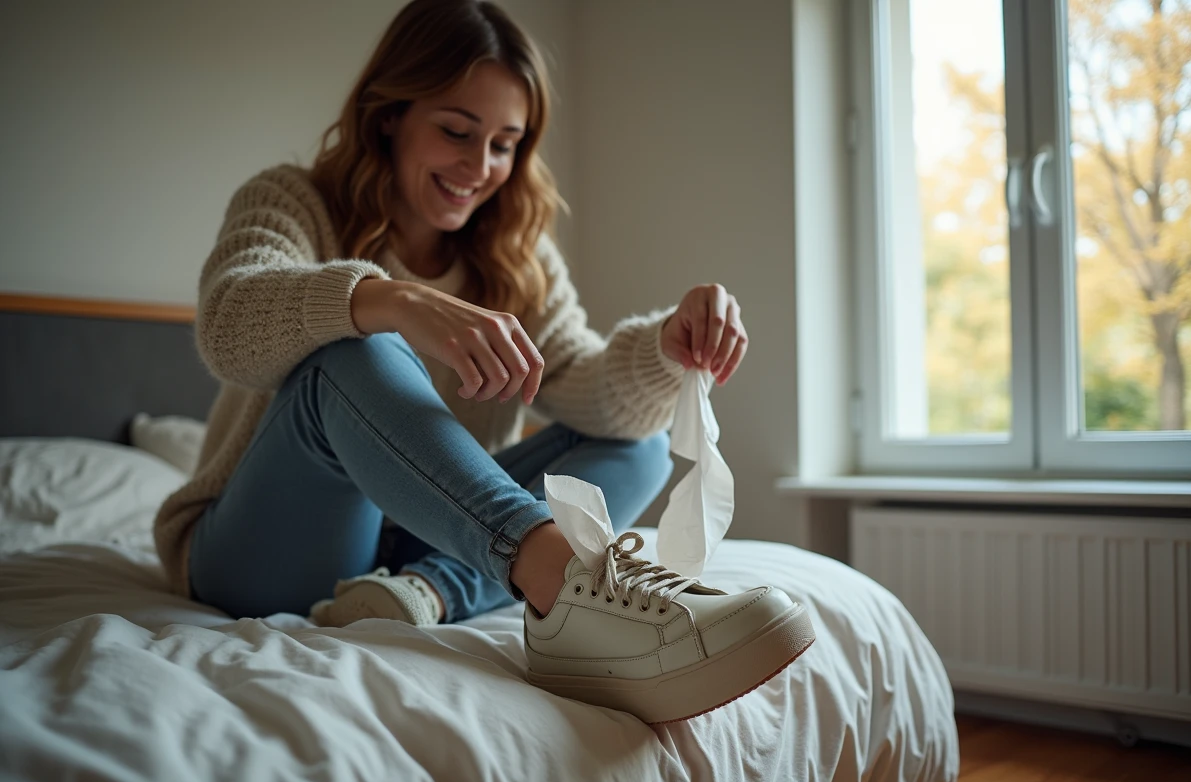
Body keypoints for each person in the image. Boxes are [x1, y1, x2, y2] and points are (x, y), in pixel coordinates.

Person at [154, 0, 813, 725]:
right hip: (262, 547)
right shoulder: (294, 201)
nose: (480, 168)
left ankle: (432, 592)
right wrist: (392, 301)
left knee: (642, 442)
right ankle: (562, 578)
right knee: (355, 349)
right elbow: (226, 323)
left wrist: (665, 348)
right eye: (456, 132)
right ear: (389, 116)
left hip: (412, 547)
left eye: (505, 143)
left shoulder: (516, 257)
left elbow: (585, 386)